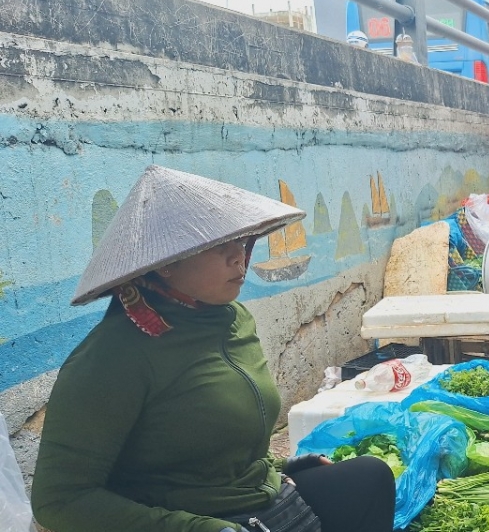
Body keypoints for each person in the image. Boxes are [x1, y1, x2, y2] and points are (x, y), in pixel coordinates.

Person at [31, 166, 397, 532]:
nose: (238, 257)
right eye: (218, 247)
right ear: (164, 266)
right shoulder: (110, 358)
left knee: (370, 476)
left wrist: (276, 467)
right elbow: (59, 501)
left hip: (257, 503)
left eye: (240, 241)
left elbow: (219, 438)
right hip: (189, 520)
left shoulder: (234, 319)